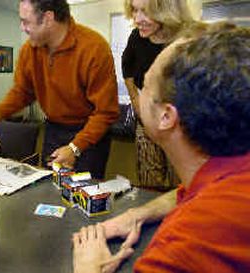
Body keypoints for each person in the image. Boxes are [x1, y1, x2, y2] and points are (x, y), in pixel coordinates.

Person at [73, 23, 250, 273]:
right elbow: (188, 192)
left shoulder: (181, 246)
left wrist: (88, 266)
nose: (139, 92)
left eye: (145, 85)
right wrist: (139, 214)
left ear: (166, 116)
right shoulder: (230, 172)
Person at [0, 0, 119, 179]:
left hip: (90, 134)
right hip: (54, 129)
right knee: (49, 186)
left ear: (47, 18)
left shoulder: (94, 48)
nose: (22, 27)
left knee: (84, 193)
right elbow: (22, 92)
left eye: (26, 21)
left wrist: (74, 148)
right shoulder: (29, 51)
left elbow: (106, 112)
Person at [122, 0, 195, 189]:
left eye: (145, 12)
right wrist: (135, 100)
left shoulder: (188, 42)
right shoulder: (136, 38)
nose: (137, 19)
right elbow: (127, 67)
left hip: (181, 125)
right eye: (134, 11)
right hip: (146, 121)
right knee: (149, 181)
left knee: (179, 184)